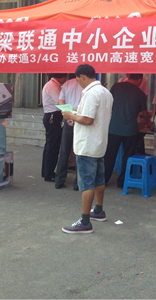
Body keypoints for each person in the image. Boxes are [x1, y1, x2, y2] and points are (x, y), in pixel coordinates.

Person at [61, 64, 113, 234]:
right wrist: (77, 113)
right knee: (99, 179)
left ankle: (85, 222)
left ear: (82, 77)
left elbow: (88, 120)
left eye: (78, 80)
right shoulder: (105, 92)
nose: (78, 83)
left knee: (87, 183)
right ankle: (98, 210)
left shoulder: (91, 93)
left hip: (87, 144)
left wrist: (71, 115)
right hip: (99, 142)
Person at [103, 73, 149, 187]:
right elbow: (144, 113)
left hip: (114, 128)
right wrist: (148, 123)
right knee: (128, 156)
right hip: (130, 130)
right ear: (140, 79)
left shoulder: (116, 87)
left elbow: (109, 104)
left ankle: (103, 180)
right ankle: (122, 182)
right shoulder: (140, 93)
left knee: (109, 155)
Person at [55, 74, 83, 190]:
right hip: (81, 120)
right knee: (80, 152)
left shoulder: (67, 84)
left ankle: (59, 181)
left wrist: (68, 112)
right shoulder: (86, 84)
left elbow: (60, 100)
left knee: (64, 151)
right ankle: (77, 183)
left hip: (68, 119)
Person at [41, 73, 67, 182]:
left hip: (53, 117)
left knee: (50, 146)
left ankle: (46, 171)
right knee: (53, 147)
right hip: (53, 118)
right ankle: (49, 173)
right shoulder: (52, 86)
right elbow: (60, 102)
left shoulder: (53, 85)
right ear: (62, 77)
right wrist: (72, 111)